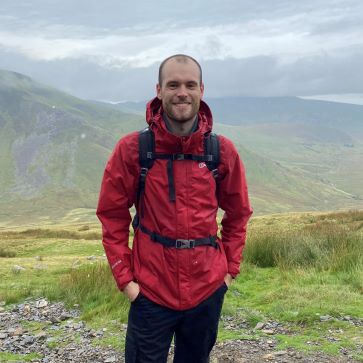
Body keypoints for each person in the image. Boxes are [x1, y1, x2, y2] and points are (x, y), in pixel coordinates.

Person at [96, 54, 253, 363]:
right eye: (173, 84)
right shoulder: (133, 150)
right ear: (159, 90)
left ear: (202, 90)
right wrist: (126, 281)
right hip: (150, 291)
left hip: (207, 289)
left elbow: (238, 213)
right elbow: (112, 216)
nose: (182, 91)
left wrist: (228, 272)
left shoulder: (220, 151)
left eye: (190, 84)